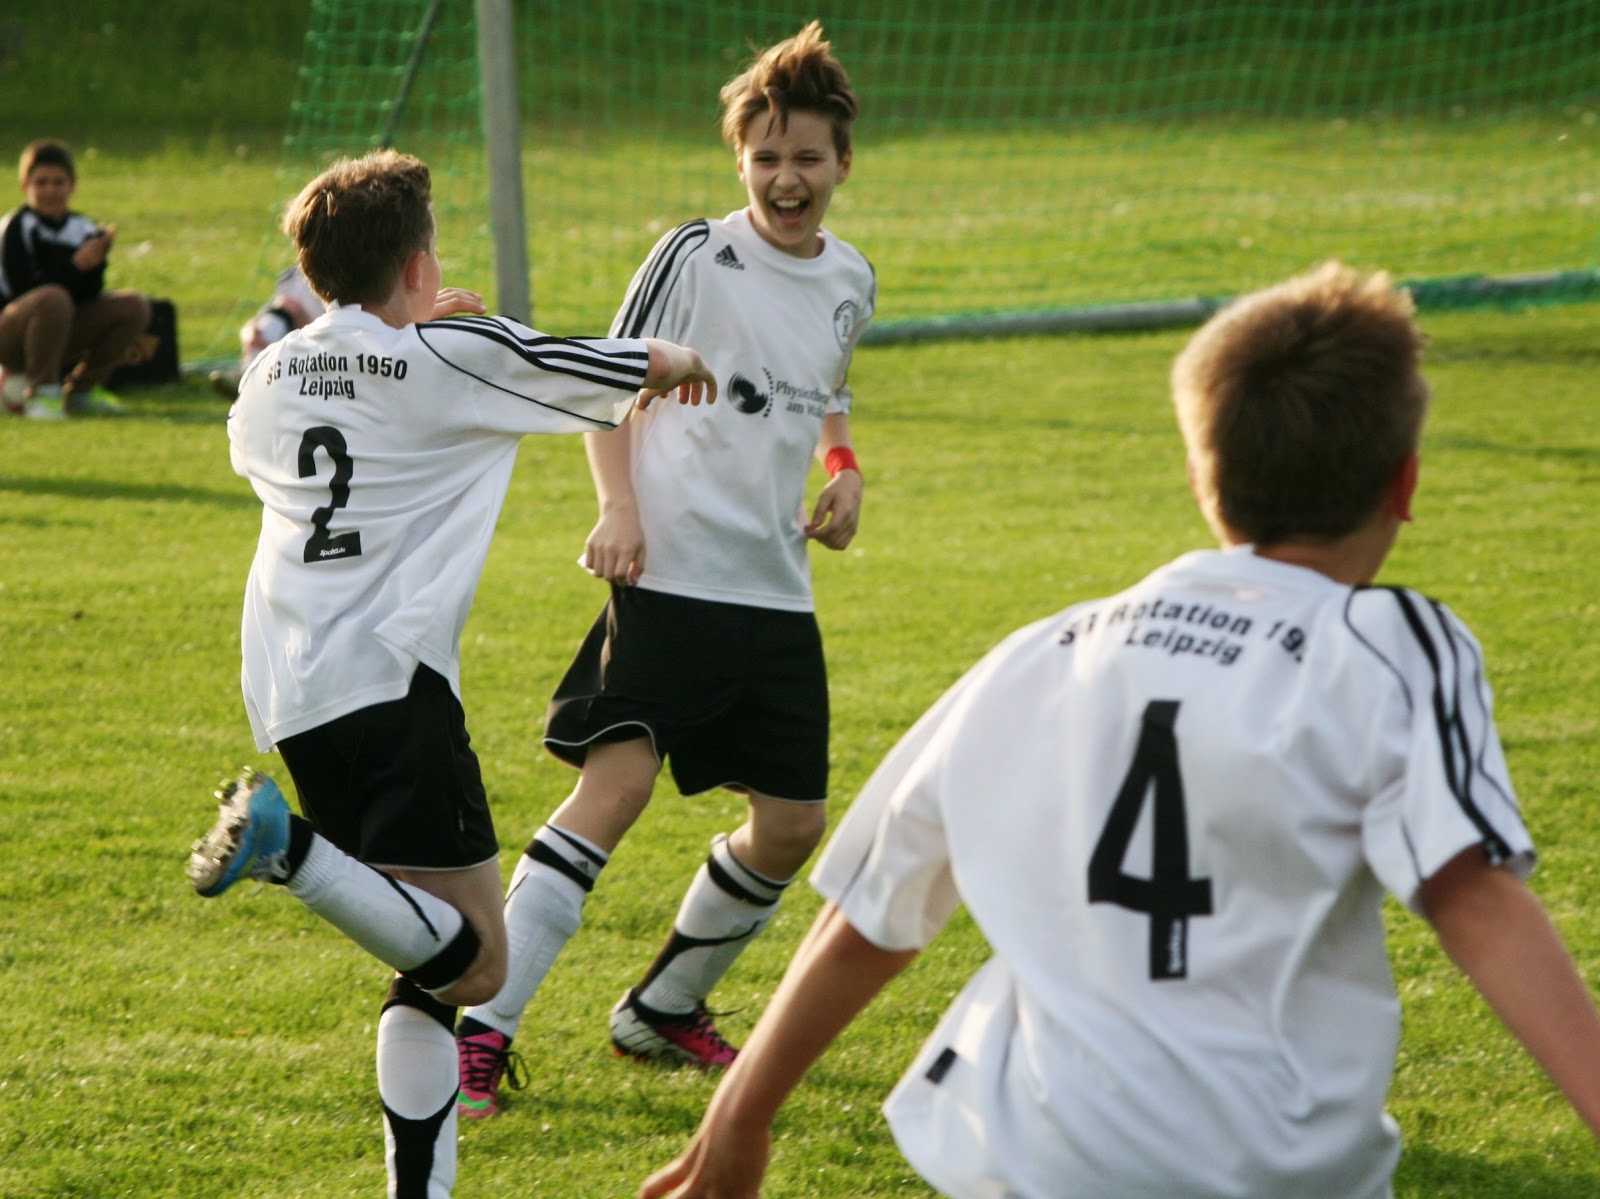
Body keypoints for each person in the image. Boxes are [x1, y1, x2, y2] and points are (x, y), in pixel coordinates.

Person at [637, 261, 1600, 1199]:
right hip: (1267, 1163)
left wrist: (742, 1113)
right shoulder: (1389, 643)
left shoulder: (1046, 649)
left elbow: (875, 912)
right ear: (1405, 482)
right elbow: (1473, 898)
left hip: (1033, 1150)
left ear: (1202, 476)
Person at [182, 147, 715, 1199]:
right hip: (395, 677)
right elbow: (624, 364)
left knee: (429, 968)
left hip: (291, 687)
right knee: (480, 960)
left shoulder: (268, 373)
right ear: (420, 263)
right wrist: (688, 355)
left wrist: (410, 336)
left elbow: (296, 432)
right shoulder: (451, 352)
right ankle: (288, 850)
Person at [453, 19, 875, 1118]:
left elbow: (827, 389)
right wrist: (618, 506)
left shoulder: (851, 277)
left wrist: (841, 468)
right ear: (741, 161)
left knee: (792, 823)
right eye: (767, 157)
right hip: (670, 575)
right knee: (617, 788)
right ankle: (479, 1033)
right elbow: (607, 383)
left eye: (808, 157)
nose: (787, 178)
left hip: (774, 587)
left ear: (842, 163)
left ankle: (661, 1007)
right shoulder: (694, 254)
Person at [0, 138, 150, 418]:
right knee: (53, 297)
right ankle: (42, 392)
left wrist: (95, 264)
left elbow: (89, 294)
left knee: (134, 306)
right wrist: (75, 266)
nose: (50, 190)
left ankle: (82, 391)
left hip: (59, 326)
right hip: (11, 330)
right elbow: (21, 289)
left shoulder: (82, 228)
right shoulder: (16, 226)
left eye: (58, 182)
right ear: (24, 185)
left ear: (72, 186)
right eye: (41, 183)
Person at [208, 263, 326, 398]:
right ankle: (249, 373)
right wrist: (250, 334)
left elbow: (336, 322)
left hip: (319, 347)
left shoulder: (333, 274)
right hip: (286, 348)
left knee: (288, 309)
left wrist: (301, 325)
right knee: (273, 320)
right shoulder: (292, 275)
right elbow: (267, 315)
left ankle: (249, 377)